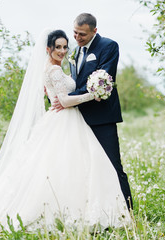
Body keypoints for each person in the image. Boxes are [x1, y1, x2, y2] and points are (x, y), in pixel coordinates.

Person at [0, 29, 130, 240]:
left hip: (67, 120)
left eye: (65, 47)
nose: (63, 51)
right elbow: (64, 101)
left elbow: (59, 94)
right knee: (61, 167)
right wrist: (91, 95)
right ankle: (65, 213)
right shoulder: (54, 71)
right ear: (48, 49)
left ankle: (78, 211)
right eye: (58, 47)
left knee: (69, 167)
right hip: (63, 119)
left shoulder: (55, 68)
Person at [53, 13, 133, 209]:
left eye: (82, 34)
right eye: (75, 32)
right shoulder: (74, 52)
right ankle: (96, 211)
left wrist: (68, 101)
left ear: (94, 31)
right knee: (85, 169)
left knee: (113, 166)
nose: (77, 38)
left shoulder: (108, 46)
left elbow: (103, 81)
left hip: (102, 118)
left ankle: (129, 212)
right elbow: (74, 82)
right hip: (77, 119)